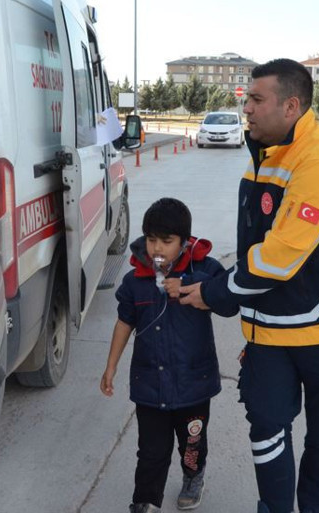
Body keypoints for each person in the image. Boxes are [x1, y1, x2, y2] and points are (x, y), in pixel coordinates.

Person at [179, 58, 319, 513]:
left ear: (290, 106)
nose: (245, 108)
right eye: (246, 98)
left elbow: (280, 256)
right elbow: (255, 245)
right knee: (266, 428)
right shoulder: (265, 153)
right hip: (269, 329)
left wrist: (215, 294)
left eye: (255, 99)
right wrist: (212, 276)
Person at [100, 198, 238, 513]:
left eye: (167, 241)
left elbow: (229, 301)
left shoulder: (204, 270)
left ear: (184, 241)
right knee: (151, 451)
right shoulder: (135, 281)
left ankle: (193, 475)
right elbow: (124, 322)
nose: (157, 248)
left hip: (194, 384)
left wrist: (194, 287)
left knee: (191, 444)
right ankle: (144, 501)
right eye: (151, 240)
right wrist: (111, 367)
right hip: (150, 384)